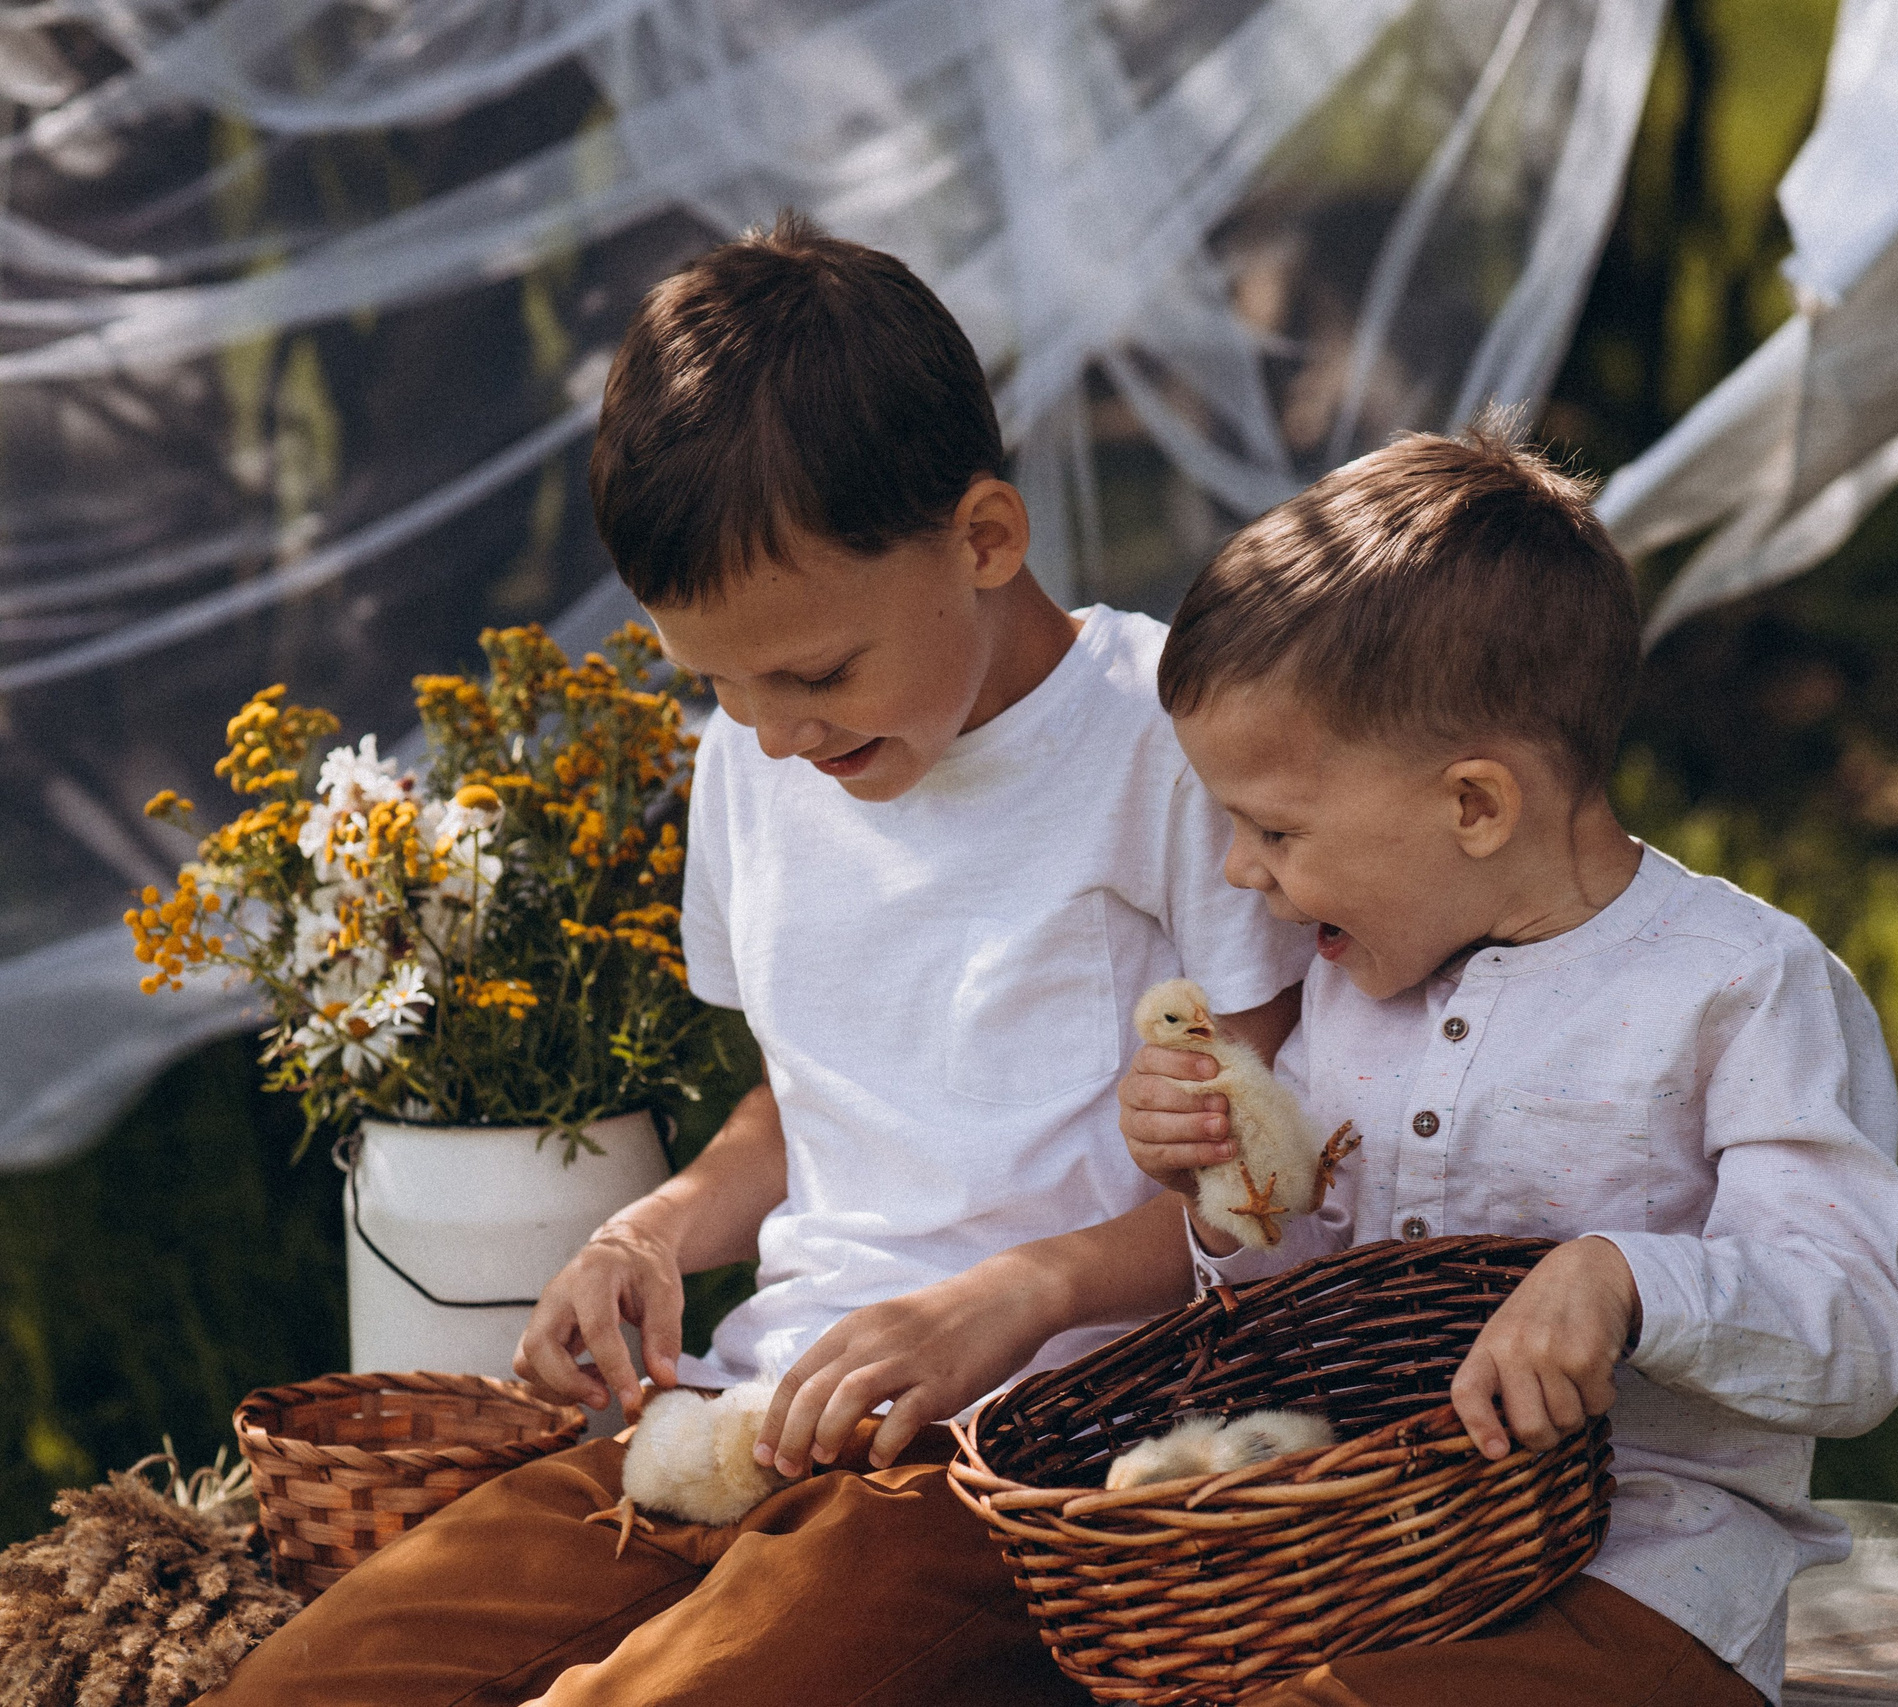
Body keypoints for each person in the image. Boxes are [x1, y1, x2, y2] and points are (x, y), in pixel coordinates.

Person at [213, 214, 1310, 1707]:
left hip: (1021, 1451)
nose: (776, 729)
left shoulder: (1164, 747)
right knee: (309, 1680)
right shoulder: (762, 760)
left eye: (814, 672)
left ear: (986, 536)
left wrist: (1020, 1291)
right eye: (717, 681)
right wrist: (653, 1229)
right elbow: (810, 1104)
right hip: (745, 1413)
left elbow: (1276, 1188)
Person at [1118, 430, 1898, 1707]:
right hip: (1372, 1562)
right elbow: (1301, 1303)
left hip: (1643, 1586)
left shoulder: (1740, 987)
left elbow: (1855, 1335)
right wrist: (1226, 1190)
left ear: (1476, 807)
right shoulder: (1349, 986)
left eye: (1275, 829)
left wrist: (1622, 1278)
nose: (1237, 873)